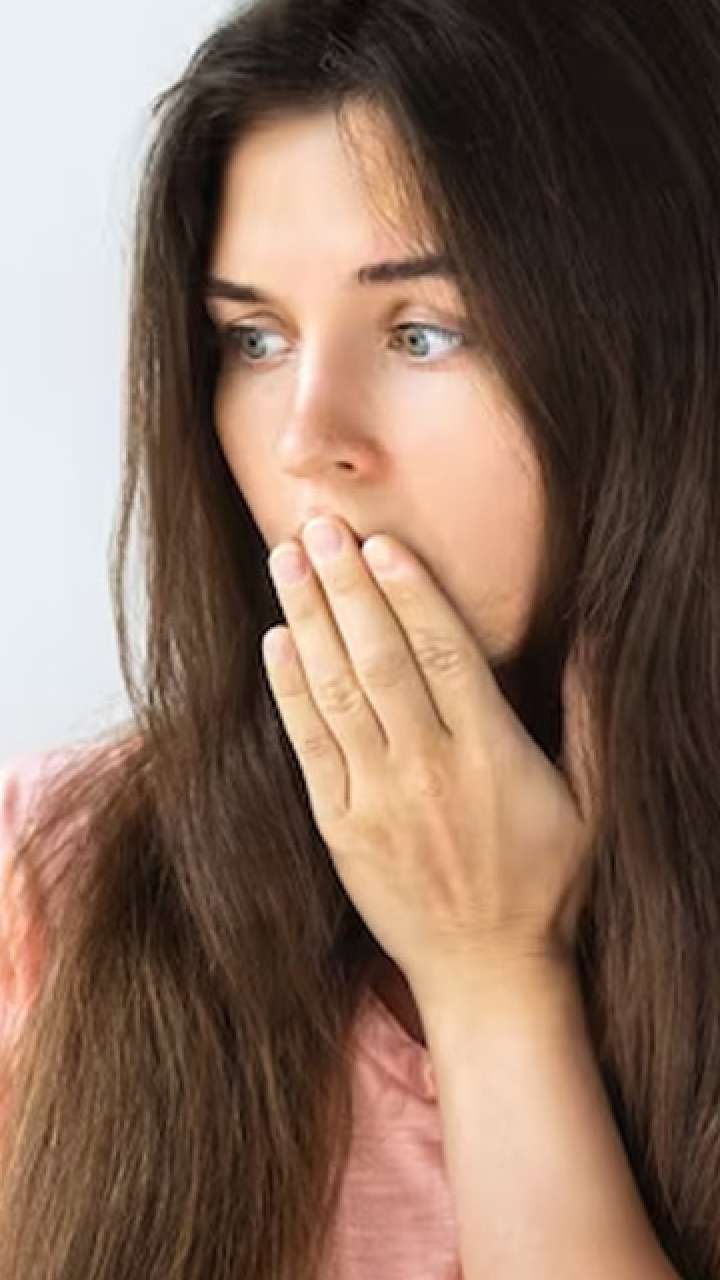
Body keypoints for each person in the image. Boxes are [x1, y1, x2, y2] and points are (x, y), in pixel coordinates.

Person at [0, 0, 717, 1276]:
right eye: (254, 338)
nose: (304, 437)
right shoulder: (55, 875)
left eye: (424, 332)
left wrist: (494, 981)